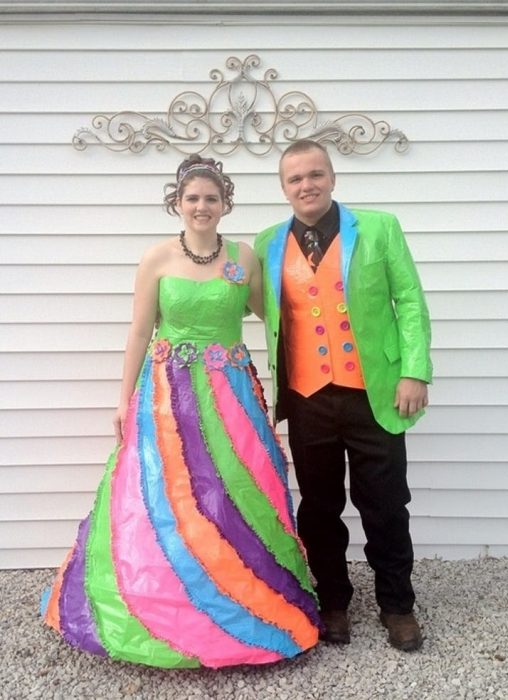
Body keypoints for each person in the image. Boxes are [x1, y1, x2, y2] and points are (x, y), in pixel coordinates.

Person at [41, 154, 321, 669]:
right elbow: (138, 331)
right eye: (192, 198)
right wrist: (123, 400)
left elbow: (277, 314)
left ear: (224, 204)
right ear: (178, 202)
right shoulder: (157, 259)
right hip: (168, 397)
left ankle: (242, 595)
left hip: (231, 396)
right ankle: (162, 601)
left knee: (232, 490)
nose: (201, 206)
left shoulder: (244, 258)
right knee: (168, 493)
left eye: (211, 198)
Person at [254, 140, 432, 651]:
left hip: (373, 393)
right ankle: (333, 602)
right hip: (307, 397)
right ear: (284, 187)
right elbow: (254, 310)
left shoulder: (379, 228)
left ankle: (397, 605)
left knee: (385, 504)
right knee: (318, 507)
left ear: (332, 178)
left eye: (315, 174)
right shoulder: (267, 243)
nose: (306, 185)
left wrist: (414, 371)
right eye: (295, 179)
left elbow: (411, 303)